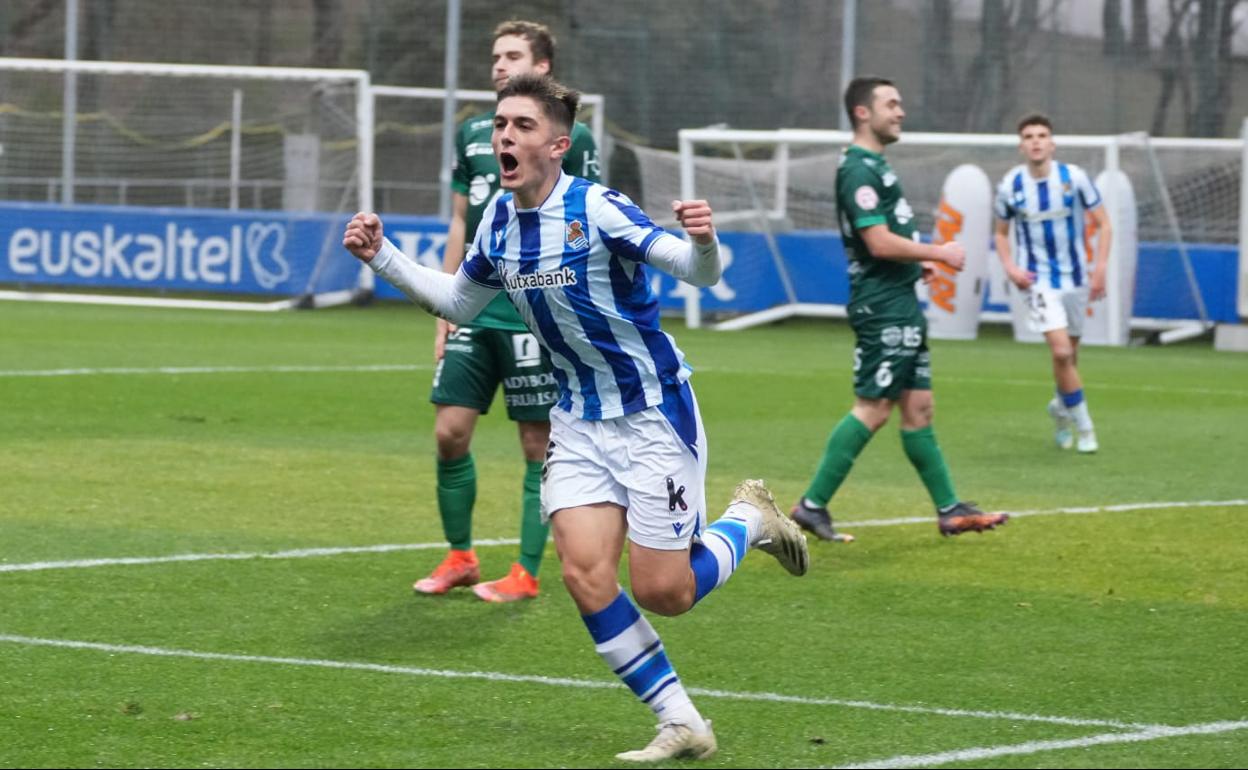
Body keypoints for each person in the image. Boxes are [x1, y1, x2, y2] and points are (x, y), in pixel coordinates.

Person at [344, 74, 809, 763]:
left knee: (666, 593)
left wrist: (705, 242)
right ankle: (680, 720)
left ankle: (749, 520)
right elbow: (460, 304)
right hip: (581, 421)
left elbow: (696, 271)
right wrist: (380, 256)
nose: (505, 135)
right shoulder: (498, 222)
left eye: (523, 126)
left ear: (558, 145)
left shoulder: (597, 209)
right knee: (584, 572)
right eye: (501, 124)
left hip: (652, 412)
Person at [418, 20, 601, 603]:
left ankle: (525, 571)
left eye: (513, 56)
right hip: (474, 306)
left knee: (534, 442)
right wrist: (446, 305)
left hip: (532, 314)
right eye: (496, 55)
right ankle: (460, 557)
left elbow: (586, 224)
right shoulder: (472, 134)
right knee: (449, 433)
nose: (499, 64)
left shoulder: (580, 141)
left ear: (541, 67)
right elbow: (457, 222)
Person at [789, 76, 1010, 542]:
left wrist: (916, 270)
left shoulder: (876, 165)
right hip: (883, 307)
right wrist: (937, 254)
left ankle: (949, 509)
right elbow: (877, 241)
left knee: (920, 408)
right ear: (862, 113)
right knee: (872, 407)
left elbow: (886, 245)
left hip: (900, 298)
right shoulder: (858, 170)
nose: (901, 111)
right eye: (891, 103)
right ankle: (811, 505)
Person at [993, 113, 1110, 454]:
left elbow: (1104, 224)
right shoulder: (1010, 185)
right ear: (1021, 145)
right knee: (1060, 351)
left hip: (1075, 278)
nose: (1036, 141)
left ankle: (1060, 410)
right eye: (1028, 136)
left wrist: (1100, 268)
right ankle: (1086, 429)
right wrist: (1011, 267)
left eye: (1042, 135)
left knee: (1069, 357)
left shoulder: (1074, 178)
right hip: (1037, 282)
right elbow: (1000, 233)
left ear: (1052, 143)